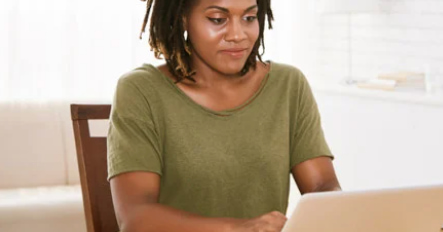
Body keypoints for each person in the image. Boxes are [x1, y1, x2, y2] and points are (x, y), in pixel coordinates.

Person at [107, 0, 341, 231]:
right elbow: (136, 217)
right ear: (183, 17)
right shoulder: (141, 91)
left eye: (249, 18)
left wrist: (341, 211)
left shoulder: (288, 85)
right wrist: (241, 228)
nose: (238, 35)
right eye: (218, 20)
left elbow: (322, 185)